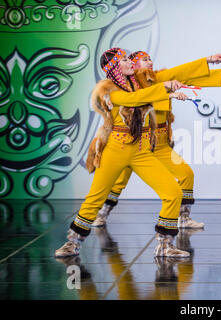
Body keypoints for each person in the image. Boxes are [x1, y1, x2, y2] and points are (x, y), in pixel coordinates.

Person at [54, 48, 207, 259]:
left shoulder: (138, 82)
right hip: (116, 149)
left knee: (173, 192)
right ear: (114, 66)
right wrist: (164, 87)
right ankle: (72, 243)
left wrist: (177, 83)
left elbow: (162, 81)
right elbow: (134, 100)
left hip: (141, 150)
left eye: (129, 58)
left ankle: (164, 246)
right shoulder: (107, 89)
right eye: (124, 59)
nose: (130, 62)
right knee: (95, 198)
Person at [88, 50, 221, 229]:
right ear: (132, 65)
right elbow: (141, 97)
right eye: (144, 60)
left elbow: (183, 75)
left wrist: (214, 67)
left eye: (150, 59)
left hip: (157, 144)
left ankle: (183, 218)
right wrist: (169, 93)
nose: (150, 62)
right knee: (117, 183)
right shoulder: (129, 86)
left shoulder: (155, 78)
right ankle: (102, 215)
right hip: (132, 143)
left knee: (186, 174)